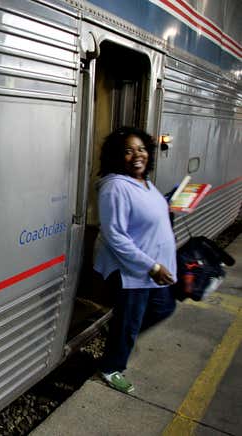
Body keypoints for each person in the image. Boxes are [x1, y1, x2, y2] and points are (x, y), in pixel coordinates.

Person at [93, 126, 177, 394]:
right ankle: (110, 368)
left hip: (150, 268)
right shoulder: (115, 186)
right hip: (133, 270)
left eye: (141, 149)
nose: (136, 155)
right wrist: (151, 267)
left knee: (163, 307)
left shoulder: (144, 182)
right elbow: (115, 235)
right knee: (129, 323)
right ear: (118, 157)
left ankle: (117, 332)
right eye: (128, 151)